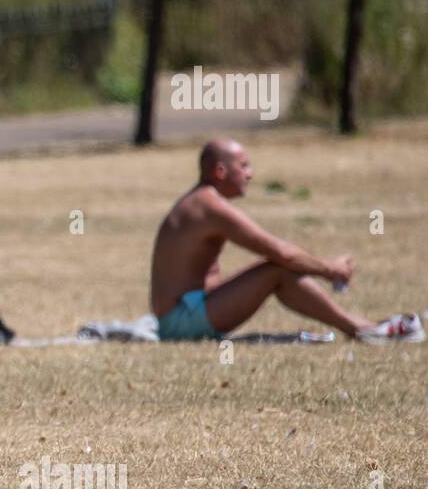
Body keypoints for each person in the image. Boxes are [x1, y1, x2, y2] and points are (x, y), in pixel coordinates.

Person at [149, 137, 422, 342]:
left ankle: (361, 327)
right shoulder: (209, 207)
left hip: (182, 314)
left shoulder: (201, 201)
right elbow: (281, 253)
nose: (250, 174)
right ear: (220, 171)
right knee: (277, 270)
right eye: (243, 166)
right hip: (180, 323)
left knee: (276, 269)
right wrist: (331, 270)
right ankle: (361, 330)